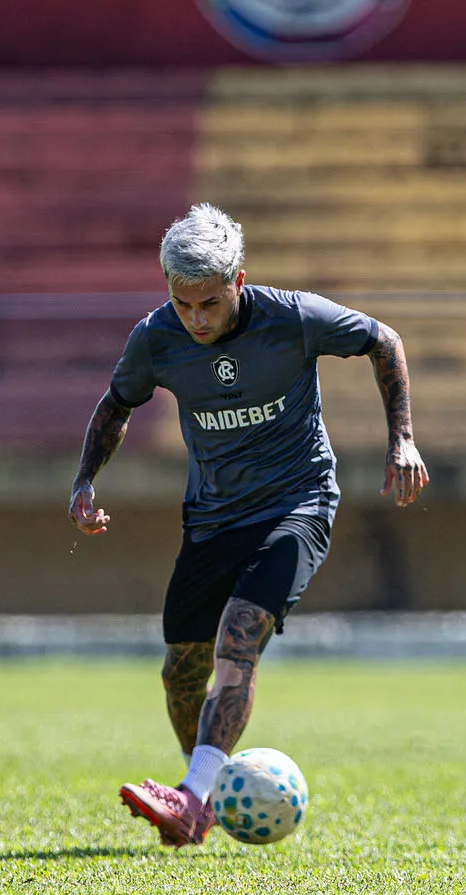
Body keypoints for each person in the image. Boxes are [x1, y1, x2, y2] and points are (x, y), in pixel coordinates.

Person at [68, 202, 429, 846]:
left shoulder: (291, 318)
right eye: (183, 305)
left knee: (240, 637)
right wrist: (86, 478)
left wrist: (402, 439)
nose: (196, 320)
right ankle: (197, 792)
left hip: (299, 501)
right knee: (182, 667)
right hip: (213, 519)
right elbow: (116, 405)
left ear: (238, 281)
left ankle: (189, 797)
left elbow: (384, 341)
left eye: (209, 303)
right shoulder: (156, 337)